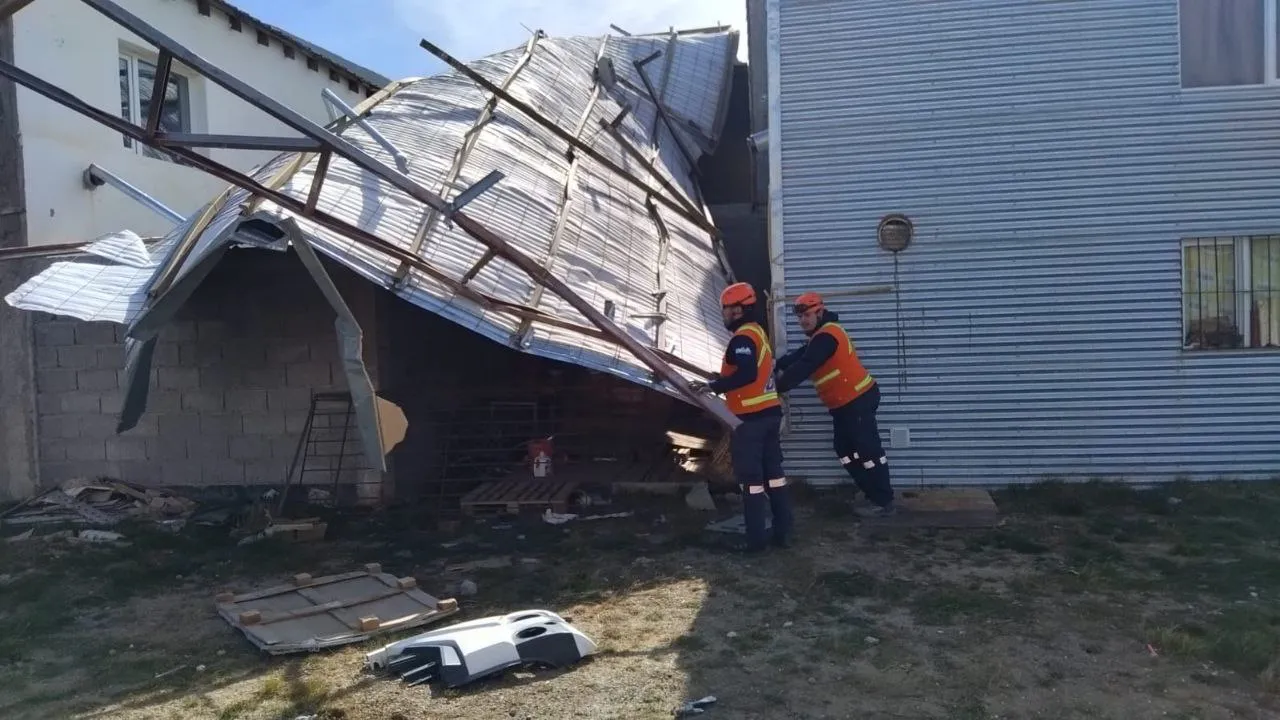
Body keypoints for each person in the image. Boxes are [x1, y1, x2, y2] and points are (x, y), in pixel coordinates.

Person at [689, 282, 794, 552]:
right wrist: (721, 380)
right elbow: (754, 374)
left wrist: (713, 387)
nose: (723, 315)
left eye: (726, 309)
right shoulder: (759, 333)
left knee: (752, 483)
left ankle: (756, 542)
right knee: (775, 478)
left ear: (737, 311)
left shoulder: (742, 339)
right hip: (769, 416)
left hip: (750, 421)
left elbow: (746, 374)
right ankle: (784, 533)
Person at [774, 292, 895, 517]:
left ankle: (883, 501)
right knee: (845, 450)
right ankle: (872, 494)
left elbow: (805, 365)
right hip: (843, 405)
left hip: (857, 399)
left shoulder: (827, 336)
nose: (803, 321)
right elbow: (799, 357)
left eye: (808, 315)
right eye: (800, 317)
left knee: (869, 450)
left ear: (820, 312)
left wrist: (776, 387)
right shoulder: (818, 337)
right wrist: (775, 365)